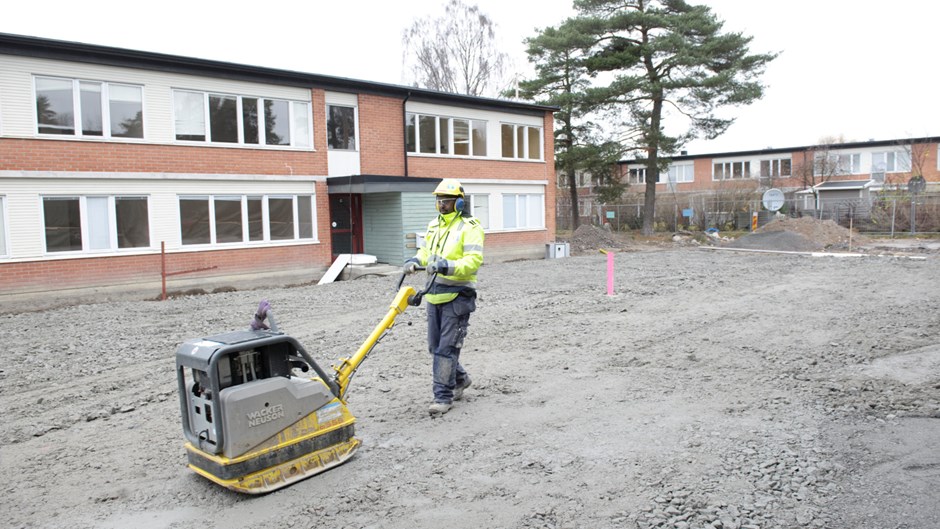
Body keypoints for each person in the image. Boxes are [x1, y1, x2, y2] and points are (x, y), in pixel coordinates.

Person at [404, 178, 484, 416]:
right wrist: (415, 261)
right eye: (439, 201)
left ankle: (442, 397)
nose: (441, 205)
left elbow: (473, 261)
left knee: (445, 349)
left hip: (458, 296)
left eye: (447, 201)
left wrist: (446, 265)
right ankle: (460, 379)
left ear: (459, 202)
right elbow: (426, 251)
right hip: (435, 293)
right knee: (435, 347)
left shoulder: (470, 227)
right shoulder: (434, 226)